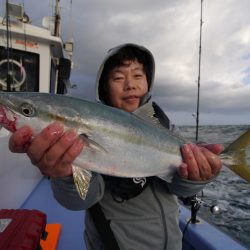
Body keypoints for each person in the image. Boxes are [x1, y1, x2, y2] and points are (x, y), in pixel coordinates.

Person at [9, 43, 223, 250]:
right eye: (118, 77)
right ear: (104, 87)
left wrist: (196, 178)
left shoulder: (167, 131)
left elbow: (178, 186)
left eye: (138, 76)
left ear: (148, 82)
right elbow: (81, 198)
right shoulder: (87, 129)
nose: (130, 84)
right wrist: (65, 175)